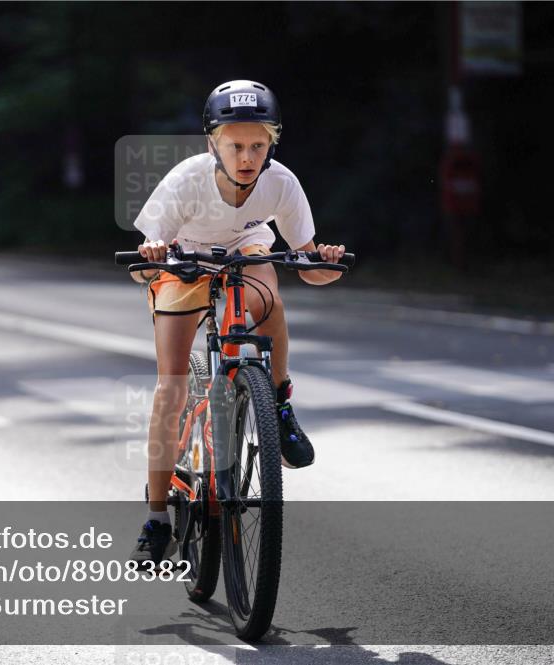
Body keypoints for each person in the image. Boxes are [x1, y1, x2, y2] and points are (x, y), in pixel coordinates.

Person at [127, 81, 346, 565]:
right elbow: (141, 268)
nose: (247, 157)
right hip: (184, 259)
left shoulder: (281, 183)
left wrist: (326, 261)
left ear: (271, 145)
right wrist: (153, 254)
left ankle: (279, 405)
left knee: (269, 299)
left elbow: (310, 268)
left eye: (257, 146)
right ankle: (157, 517)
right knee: (171, 387)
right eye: (235, 146)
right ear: (213, 145)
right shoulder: (185, 181)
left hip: (246, 250)